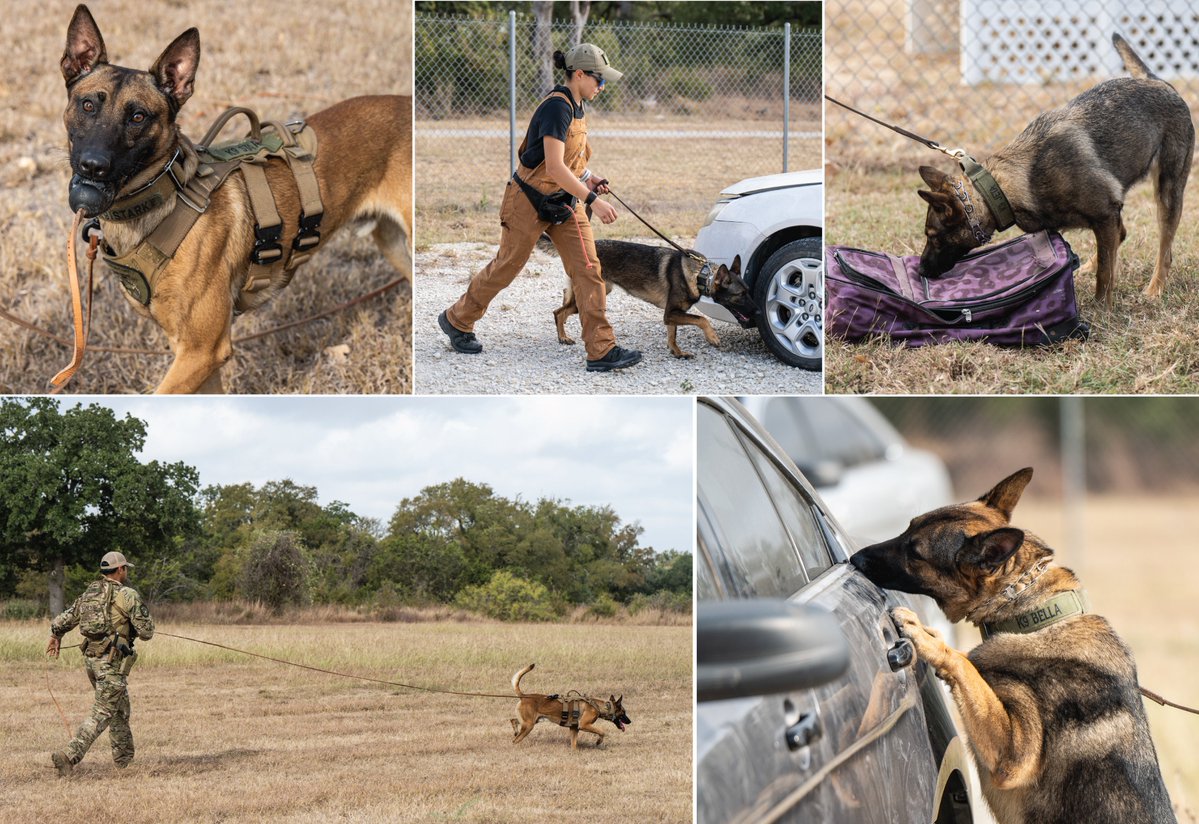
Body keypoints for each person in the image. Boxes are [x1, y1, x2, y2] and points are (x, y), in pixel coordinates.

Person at [438, 43, 642, 372]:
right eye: (599, 80)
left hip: (564, 204)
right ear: (579, 75)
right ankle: (457, 319)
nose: (602, 87)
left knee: (589, 269)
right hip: (528, 200)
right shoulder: (556, 108)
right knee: (507, 265)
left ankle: (601, 349)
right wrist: (593, 201)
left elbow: (571, 162)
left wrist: (589, 178)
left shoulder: (579, 106)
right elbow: (554, 166)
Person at [46, 551, 155, 776]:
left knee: (120, 709)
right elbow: (147, 632)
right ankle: (69, 755)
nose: (126, 571)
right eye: (125, 568)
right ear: (120, 570)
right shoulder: (127, 594)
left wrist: (56, 636)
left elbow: (63, 620)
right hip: (111, 662)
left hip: (92, 661)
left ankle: (124, 761)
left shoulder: (90, 592)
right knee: (104, 711)